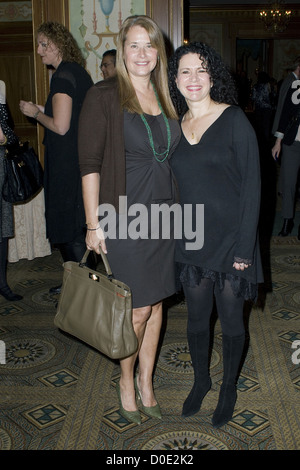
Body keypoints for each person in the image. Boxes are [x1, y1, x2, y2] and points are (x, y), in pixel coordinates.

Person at [78, 15, 180, 424]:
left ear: (159, 53)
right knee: (135, 310)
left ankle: (147, 381)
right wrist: (92, 224)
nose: (142, 53)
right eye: (134, 45)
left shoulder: (165, 95)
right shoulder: (104, 95)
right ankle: (125, 381)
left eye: (149, 45)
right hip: (123, 218)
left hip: (166, 218)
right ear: (122, 50)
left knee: (157, 306)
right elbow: (89, 164)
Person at [168, 42, 263, 428]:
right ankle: (201, 380)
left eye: (201, 70)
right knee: (195, 320)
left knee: (232, 322)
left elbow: (253, 188)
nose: (193, 79)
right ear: (175, 80)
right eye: (185, 72)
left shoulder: (234, 119)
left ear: (213, 77)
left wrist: (244, 249)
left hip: (231, 242)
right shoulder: (174, 127)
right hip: (190, 240)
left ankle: (228, 388)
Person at [19, 22, 94, 294]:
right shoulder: (78, 73)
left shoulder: (62, 76)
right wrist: (41, 109)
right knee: (76, 225)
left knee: (68, 228)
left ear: (58, 44)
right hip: (79, 160)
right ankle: (81, 284)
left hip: (66, 165)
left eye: (43, 44)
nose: (39, 51)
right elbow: (70, 118)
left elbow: (61, 126)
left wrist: (34, 112)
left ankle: (82, 289)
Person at [271, 79, 300, 240]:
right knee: (288, 183)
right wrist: (278, 142)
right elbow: (286, 114)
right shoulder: (296, 87)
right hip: (292, 143)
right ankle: (287, 220)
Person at [0, 101, 23, 301]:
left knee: (3, 231)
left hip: (2, 175)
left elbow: (11, 136)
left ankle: (2, 283)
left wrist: (4, 137)